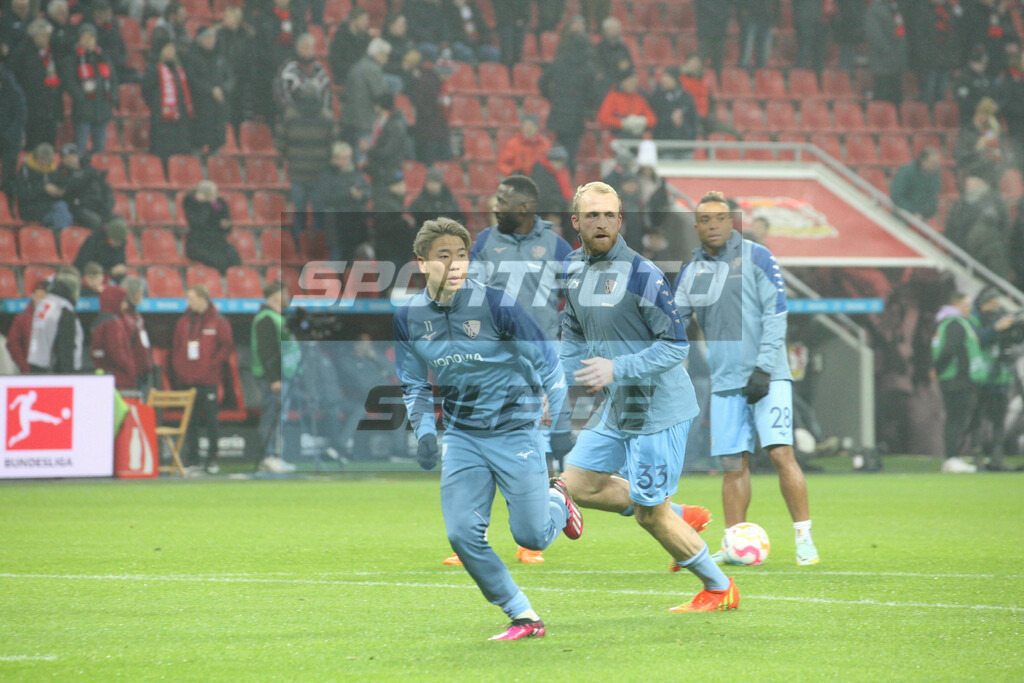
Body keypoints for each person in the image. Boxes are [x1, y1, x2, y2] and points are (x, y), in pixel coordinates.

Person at [393, 216, 583, 640]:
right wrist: (425, 433)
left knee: (532, 537)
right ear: (422, 263)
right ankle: (523, 615)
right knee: (461, 534)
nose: (455, 264)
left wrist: (559, 424)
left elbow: (549, 363)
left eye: (462, 255)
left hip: (516, 428)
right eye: (444, 256)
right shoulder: (408, 317)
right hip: (463, 435)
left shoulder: (497, 304)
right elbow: (413, 383)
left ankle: (559, 501)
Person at [556, 182, 735, 612]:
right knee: (575, 484)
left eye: (609, 215)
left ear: (620, 220)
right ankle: (683, 515)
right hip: (619, 406)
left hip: (658, 409)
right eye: (592, 215)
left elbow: (675, 347)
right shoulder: (572, 268)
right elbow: (573, 332)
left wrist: (616, 368)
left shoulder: (642, 274)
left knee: (649, 515)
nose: (601, 222)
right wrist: (558, 387)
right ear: (576, 221)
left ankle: (719, 588)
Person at [674, 191, 819, 566]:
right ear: (696, 227)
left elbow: (776, 314)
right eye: (705, 220)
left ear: (732, 222)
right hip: (725, 382)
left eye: (720, 218)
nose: (713, 225)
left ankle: (804, 538)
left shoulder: (758, 257)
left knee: (782, 453)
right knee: (732, 465)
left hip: (768, 378)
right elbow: (674, 322)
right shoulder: (693, 271)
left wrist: (764, 367)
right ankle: (734, 542)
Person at [436, 175, 574, 567]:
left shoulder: (556, 247)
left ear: (525, 207)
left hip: (537, 359)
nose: (494, 205)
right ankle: (470, 537)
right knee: (474, 437)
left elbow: (578, 298)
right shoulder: (484, 242)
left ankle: (537, 529)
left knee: (537, 441)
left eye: (503, 200)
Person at [171, 284, 234, 474]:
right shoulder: (183, 322)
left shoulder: (218, 321)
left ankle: (212, 459)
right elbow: (176, 347)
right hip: (187, 381)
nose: (189, 302)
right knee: (190, 422)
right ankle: (193, 459)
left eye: (191, 298)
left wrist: (212, 366)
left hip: (208, 381)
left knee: (211, 421)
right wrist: (181, 370)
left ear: (203, 299)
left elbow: (226, 346)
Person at [932, 291, 987, 473]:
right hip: (958, 379)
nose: (969, 308)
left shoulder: (947, 323)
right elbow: (949, 350)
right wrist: (938, 369)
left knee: (956, 419)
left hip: (954, 378)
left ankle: (953, 458)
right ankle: (952, 458)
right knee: (956, 420)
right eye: (966, 305)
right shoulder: (955, 323)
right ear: (956, 305)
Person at [251, 281, 300, 473]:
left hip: (283, 375)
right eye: (284, 294)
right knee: (272, 416)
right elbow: (266, 351)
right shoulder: (266, 318)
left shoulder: (277, 317)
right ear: (275, 297)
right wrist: (274, 378)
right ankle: (268, 456)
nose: (288, 297)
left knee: (278, 417)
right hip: (273, 378)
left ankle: (275, 456)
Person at [969, 287, 1017, 471]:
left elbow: (1012, 340)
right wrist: (995, 328)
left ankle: (997, 459)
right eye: (993, 303)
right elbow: (977, 340)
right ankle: (978, 458)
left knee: (999, 420)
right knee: (978, 419)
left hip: (1001, 376)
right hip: (981, 376)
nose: (996, 307)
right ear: (984, 303)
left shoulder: (1000, 315)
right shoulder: (973, 319)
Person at [539, 31, 597, 170]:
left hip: (559, 112)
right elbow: (592, 95)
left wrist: (552, 97)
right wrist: (588, 110)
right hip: (577, 116)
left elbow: (542, 82)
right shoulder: (588, 67)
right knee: (571, 155)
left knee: (557, 152)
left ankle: (558, 178)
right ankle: (568, 179)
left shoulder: (559, 61)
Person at [60, 24, 118, 154]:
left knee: (99, 150)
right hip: (83, 112)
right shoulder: (73, 58)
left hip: (103, 111)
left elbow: (113, 79)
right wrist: (80, 97)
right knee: (80, 149)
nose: (88, 41)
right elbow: (69, 82)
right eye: (85, 37)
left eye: (91, 37)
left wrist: (113, 96)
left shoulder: (104, 57)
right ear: (79, 39)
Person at [8, 18, 63, 151]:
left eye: (48, 36)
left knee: (49, 147)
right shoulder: (21, 53)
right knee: (32, 148)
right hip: (31, 111)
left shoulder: (51, 53)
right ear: (34, 35)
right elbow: (12, 81)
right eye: (44, 35)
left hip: (49, 110)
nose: (47, 39)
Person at [311, 141, 370, 261]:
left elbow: (368, 191)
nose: (346, 161)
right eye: (343, 158)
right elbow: (324, 197)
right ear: (334, 158)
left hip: (355, 224)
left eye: (348, 157)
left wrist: (362, 195)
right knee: (337, 257)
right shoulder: (326, 175)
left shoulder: (356, 173)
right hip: (336, 223)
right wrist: (349, 194)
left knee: (352, 260)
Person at [143, 40, 194, 164]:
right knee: (164, 154)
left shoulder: (179, 69)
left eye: (172, 49)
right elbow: (146, 90)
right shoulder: (153, 68)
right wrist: (157, 105)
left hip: (180, 120)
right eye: (168, 48)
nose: (171, 52)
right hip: (162, 120)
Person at [27, 272, 83, 374]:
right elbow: (65, 345)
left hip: (37, 364)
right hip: (55, 370)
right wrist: (68, 374)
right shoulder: (63, 309)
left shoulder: (44, 304)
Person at [186, 28, 231, 154]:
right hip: (201, 105)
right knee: (198, 141)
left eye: (213, 38)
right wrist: (210, 90)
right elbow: (192, 79)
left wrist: (223, 90)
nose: (211, 41)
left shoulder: (220, 57)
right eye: (208, 38)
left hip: (219, 106)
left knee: (217, 142)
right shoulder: (193, 58)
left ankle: (213, 159)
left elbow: (230, 77)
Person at [341, 38, 391, 151]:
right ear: (377, 54)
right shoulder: (373, 69)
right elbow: (381, 95)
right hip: (365, 122)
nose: (386, 59)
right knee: (362, 157)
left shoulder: (357, 65)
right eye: (385, 55)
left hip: (349, 120)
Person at [183, 181, 241, 273]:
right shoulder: (191, 202)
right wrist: (205, 204)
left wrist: (226, 224)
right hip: (198, 243)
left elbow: (224, 218)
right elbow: (199, 222)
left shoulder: (218, 203)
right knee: (219, 262)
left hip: (217, 241)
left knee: (234, 259)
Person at [54, 142, 115, 231]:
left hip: (98, 207)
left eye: (74, 155)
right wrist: (85, 178)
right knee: (96, 221)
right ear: (62, 159)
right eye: (67, 156)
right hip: (79, 209)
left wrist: (107, 205)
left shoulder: (90, 170)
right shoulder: (61, 174)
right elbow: (69, 192)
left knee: (118, 220)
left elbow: (106, 188)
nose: (72, 158)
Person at [15, 142, 73, 231]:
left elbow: (62, 184)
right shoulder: (26, 170)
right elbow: (23, 194)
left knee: (67, 215)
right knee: (61, 209)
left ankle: (58, 236)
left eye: (47, 160)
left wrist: (60, 191)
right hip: (30, 208)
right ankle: (60, 237)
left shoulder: (53, 169)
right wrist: (43, 188)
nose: (44, 163)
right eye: (42, 160)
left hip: (49, 207)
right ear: (36, 158)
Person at [89, 285, 136, 389]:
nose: (126, 306)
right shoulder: (114, 324)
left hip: (104, 376)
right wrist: (130, 368)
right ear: (115, 301)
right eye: (123, 301)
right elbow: (117, 352)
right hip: (119, 379)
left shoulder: (99, 322)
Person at [275, 32, 332, 118]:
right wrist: (289, 108)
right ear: (298, 49)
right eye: (304, 47)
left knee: (328, 117)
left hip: (318, 113)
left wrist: (325, 109)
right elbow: (281, 93)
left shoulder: (320, 69)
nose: (307, 51)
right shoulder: (288, 69)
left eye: (310, 48)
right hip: (295, 113)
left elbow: (327, 93)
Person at [364, 92, 412, 189]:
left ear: (379, 106)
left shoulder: (394, 125)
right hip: (379, 168)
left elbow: (387, 151)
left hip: (389, 171)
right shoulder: (381, 121)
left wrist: (368, 150)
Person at [865, 0, 908, 104]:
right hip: (881, 64)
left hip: (896, 64)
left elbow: (901, 30)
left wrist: (901, 48)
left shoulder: (895, 9)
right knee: (882, 96)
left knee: (896, 98)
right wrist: (888, 50)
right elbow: (875, 35)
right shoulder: (874, 9)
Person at [596, 70, 657, 138]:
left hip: (636, 136)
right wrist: (622, 123)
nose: (632, 84)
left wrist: (640, 121)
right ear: (623, 82)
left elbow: (652, 119)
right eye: (630, 82)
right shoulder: (613, 97)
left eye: (634, 82)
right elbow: (603, 118)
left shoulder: (639, 99)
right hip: (617, 136)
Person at [6, 279, 48, 374]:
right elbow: (13, 344)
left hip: (53, 370)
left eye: (43, 296)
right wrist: (24, 365)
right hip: (30, 371)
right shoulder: (22, 319)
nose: (40, 299)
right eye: (37, 296)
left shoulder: (56, 318)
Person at [121, 275, 154, 395]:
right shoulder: (123, 317)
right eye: (141, 293)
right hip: (130, 375)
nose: (142, 296)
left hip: (141, 372)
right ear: (134, 294)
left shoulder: (137, 316)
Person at [889, 146, 942, 221]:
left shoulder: (934, 175)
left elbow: (932, 198)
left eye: (936, 163)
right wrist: (913, 212)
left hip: (921, 218)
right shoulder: (906, 172)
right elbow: (896, 196)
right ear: (924, 161)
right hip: (902, 217)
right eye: (933, 163)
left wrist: (925, 213)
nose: (935, 166)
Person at [0, 64, 26, 204]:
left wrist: (8, 134)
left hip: (11, 139)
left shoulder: (14, 92)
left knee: (9, 175)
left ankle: (8, 201)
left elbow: (21, 116)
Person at [328, 6, 372, 86]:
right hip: (344, 76)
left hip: (362, 75)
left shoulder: (365, 37)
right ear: (354, 20)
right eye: (363, 19)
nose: (367, 22)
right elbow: (336, 62)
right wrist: (356, 70)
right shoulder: (340, 37)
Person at [73, 215, 128, 279]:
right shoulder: (94, 241)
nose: (118, 244)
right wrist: (110, 270)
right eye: (115, 241)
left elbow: (120, 261)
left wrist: (121, 268)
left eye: (120, 243)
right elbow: (84, 264)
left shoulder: (121, 244)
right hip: (91, 275)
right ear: (109, 236)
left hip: (110, 276)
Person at [530, 145, 573, 223]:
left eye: (562, 162)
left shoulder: (560, 173)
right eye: (557, 162)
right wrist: (561, 206)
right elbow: (543, 196)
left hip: (558, 207)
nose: (560, 165)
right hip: (544, 211)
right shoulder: (540, 172)